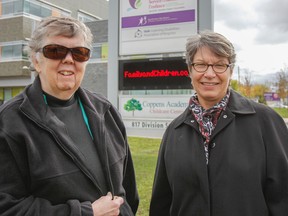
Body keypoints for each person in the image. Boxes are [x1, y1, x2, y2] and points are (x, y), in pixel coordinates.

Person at [0, 16, 139, 216]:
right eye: (55, 51)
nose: (68, 59)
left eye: (79, 53)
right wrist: (86, 212)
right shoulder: (9, 122)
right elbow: (7, 207)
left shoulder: (106, 112)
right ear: (35, 60)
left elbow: (128, 192)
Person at [149, 31, 288, 216]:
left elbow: (283, 198)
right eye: (200, 65)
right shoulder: (175, 131)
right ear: (190, 70)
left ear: (230, 71)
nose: (209, 73)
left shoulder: (265, 122)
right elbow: (162, 203)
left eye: (219, 65)